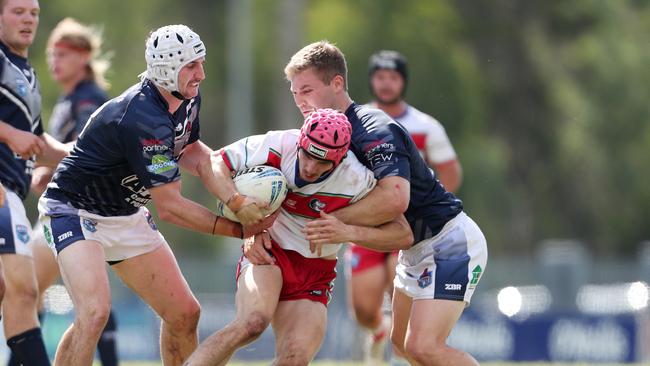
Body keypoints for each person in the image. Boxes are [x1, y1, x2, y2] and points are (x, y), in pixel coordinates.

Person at [37, 24, 272, 366]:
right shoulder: (142, 116)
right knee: (94, 313)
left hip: (124, 213)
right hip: (75, 211)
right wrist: (240, 229)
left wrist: (235, 195)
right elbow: (171, 208)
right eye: (191, 66)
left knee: (184, 314)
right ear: (166, 69)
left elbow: (192, 151)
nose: (201, 74)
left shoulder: (186, 98)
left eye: (201, 63)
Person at [283, 41, 488, 366]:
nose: (300, 102)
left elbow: (396, 197)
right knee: (403, 346)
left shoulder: (372, 127)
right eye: (295, 93)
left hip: (450, 242)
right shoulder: (324, 136)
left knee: (424, 347)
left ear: (337, 84)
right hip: (413, 247)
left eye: (306, 90)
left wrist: (333, 221)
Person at [185, 108, 413, 365]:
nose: (311, 167)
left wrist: (348, 231)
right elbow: (212, 163)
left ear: (339, 160)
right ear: (301, 143)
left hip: (316, 270)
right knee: (252, 323)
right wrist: (236, 202)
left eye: (323, 163)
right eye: (308, 155)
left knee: (295, 357)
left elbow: (403, 233)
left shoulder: (356, 179)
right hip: (269, 251)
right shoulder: (279, 144)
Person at [346, 49, 465, 364]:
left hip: (408, 227)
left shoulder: (425, 126)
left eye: (393, 77)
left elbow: (451, 172)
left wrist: (421, 207)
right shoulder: (354, 122)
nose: (385, 84)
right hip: (370, 222)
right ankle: (378, 331)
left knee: (398, 293)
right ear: (371, 80)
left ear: (403, 82)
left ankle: (399, 350)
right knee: (363, 308)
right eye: (380, 77)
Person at [17, 17, 119, 366]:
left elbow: (90, 147)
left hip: (77, 211)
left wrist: (49, 167)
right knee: (47, 294)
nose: (53, 61)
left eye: (62, 53)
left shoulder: (89, 98)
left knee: (27, 289)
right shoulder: (69, 99)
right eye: (51, 54)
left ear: (83, 57)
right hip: (67, 209)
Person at [0, 0, 70, 364]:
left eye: (34, 13)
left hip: (11, 190)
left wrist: (88, 151)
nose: (28, 19)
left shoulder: (25, 72)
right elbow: (18, 137)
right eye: (18, 11)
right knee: (25, 291)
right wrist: (10, 133)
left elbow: (39, 145)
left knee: (11, 293)